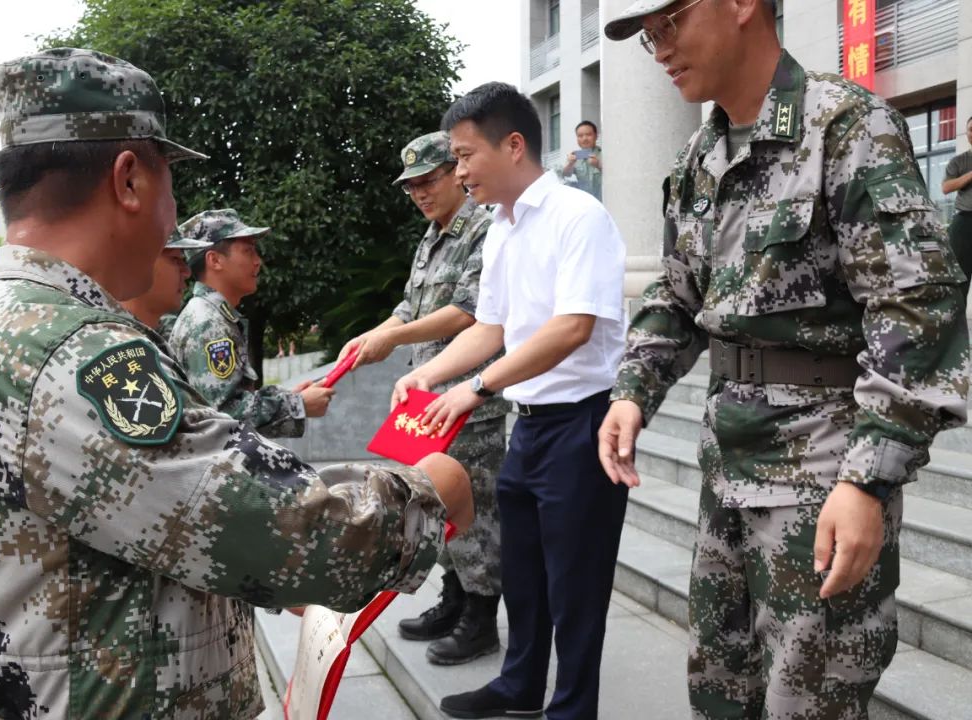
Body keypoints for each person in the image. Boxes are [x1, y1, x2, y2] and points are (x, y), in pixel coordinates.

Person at [0, 47, 474, 720]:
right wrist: (433, 488)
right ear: (129, 180)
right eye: (171, 181)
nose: (173, 219)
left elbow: (131, 530)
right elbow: (295, 531)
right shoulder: (75, 354)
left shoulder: (1, 322)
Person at [600, 2, 970, 718]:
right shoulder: (697, 157)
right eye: (648, 38)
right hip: (727, 461)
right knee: (721, 690)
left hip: (822, 468)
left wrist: (868, 481)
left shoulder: (846, 127)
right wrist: (632, 390)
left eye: (669, 22)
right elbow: (677, 297)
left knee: (811, 699)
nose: (660, 48)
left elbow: (915, 307)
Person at [393, 83, 628, 719]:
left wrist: (477, 387)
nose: (460, 171)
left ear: (515, 145)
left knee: (575, 587)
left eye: (466, 156)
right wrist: (430, 375)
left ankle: (572, 708)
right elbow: (490, 328)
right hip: (525, 427)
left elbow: (572, 326)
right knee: (522, 572)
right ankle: (519, 685)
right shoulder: (501, 227)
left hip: (583, 425)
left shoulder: (579, 218)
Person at [338, 131, 508, 665]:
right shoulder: (432, 238)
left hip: (468, 398)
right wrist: (374, 335)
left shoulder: (483, 229)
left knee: (476, 511)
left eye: (428, 180)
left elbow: (469, 314)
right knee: (438, 501)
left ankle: (481, 614)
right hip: (427, 400)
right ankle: (454, 596)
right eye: (410, 186)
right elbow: (410, 309)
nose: (419, 193)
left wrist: (394, 338)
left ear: (454, 173)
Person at [169, 209, 334, 436]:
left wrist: (289, 397)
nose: (258, 261)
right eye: (248, 251)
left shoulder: (212, 315)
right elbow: (223, 416)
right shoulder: (209, 323)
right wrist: (297, 405)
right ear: (215, 260)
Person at [120, 231, 210, 331]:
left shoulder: (158, 335)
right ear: (137, 263)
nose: (187, 272)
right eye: (175, 258)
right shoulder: (111, 339)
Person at [942, 115, 972, 303]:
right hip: (964, 224)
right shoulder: (959, 161)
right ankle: (956, 329)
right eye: (971, 129)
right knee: (959, 280)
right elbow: (946, 187)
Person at [561, 120, 603, 200]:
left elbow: (615, 173)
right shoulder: (574, 156)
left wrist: (598, 165)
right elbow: (565, 174)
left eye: (588, 135)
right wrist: (570, 164)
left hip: (606, 203)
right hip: (586, 205)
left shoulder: (604, 154)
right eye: (580, 136)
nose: (584, 138)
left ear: (596, 136)